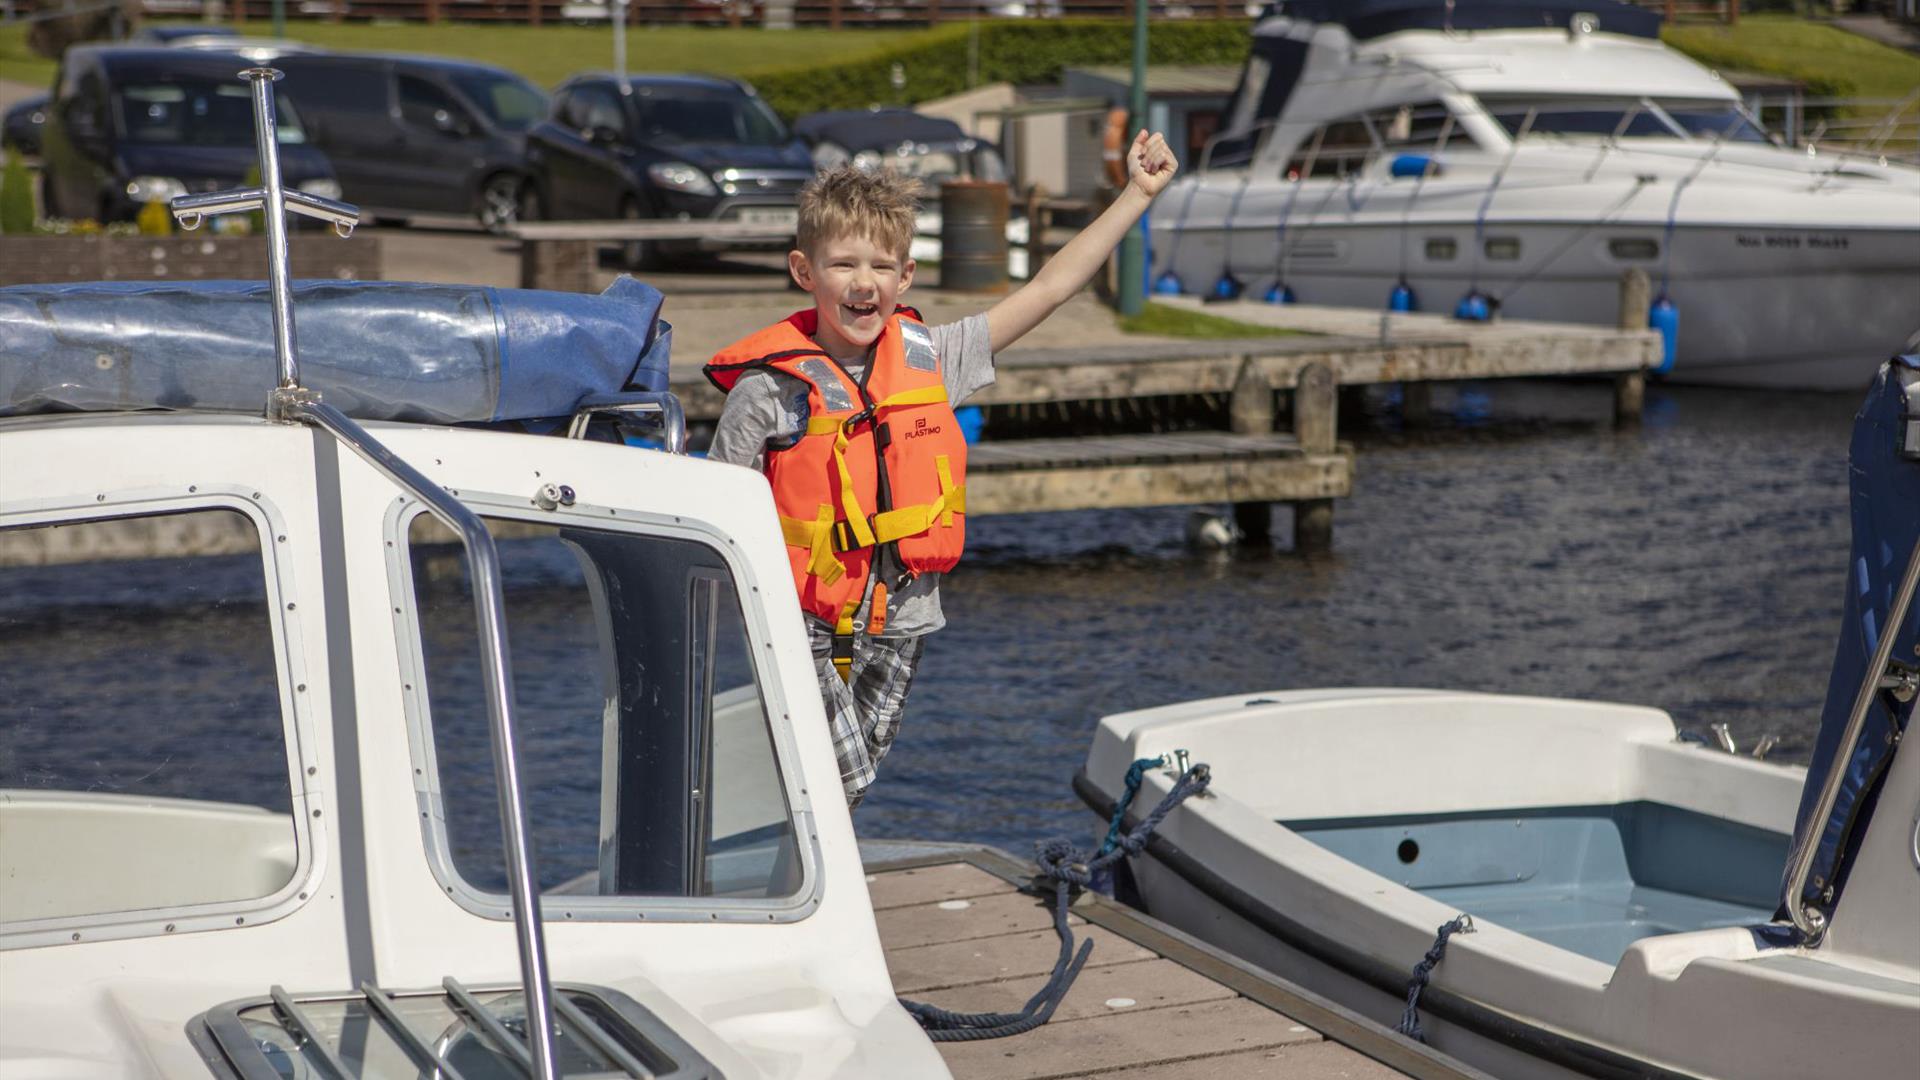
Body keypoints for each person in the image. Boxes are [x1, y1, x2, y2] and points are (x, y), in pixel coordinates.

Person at [704, 130, 1179, 808]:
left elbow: (1050, 288)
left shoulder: (937, 357)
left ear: (905, 278)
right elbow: (717, 510)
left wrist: (1137, 193)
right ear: (805, 272)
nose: (863, 282)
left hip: (904, 620)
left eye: (880, 266)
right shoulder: (767, 390)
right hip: (799, 619)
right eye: (843, 264)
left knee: (841, 793)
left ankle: (792, 895)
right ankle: (796, 898)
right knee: (829, 783)